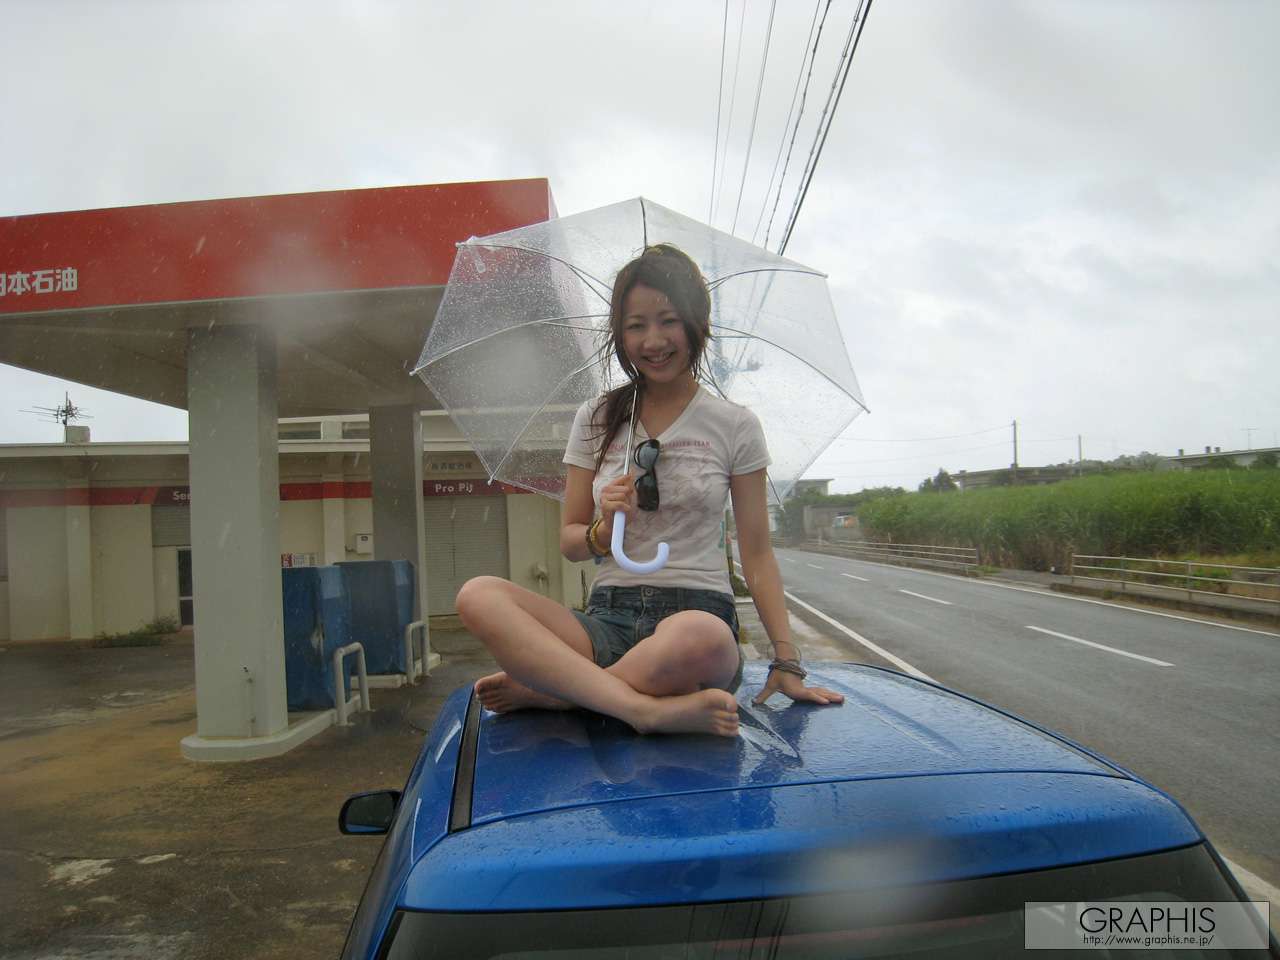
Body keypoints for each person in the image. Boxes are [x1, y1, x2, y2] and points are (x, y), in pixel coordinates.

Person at [455, 243, 844, 737]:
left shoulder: (736, 425)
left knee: (702, 637)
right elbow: (570, 542)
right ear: (619, 334)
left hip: (695, 618)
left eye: (668, 321)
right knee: (478, 595)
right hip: (606, 619)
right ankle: (641, 708)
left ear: (697, 323)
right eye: (636, 325)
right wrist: (602, 528)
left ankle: (563, 693)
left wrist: (786, 661)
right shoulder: (596, 417)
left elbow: (758, 553)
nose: (653, 340)